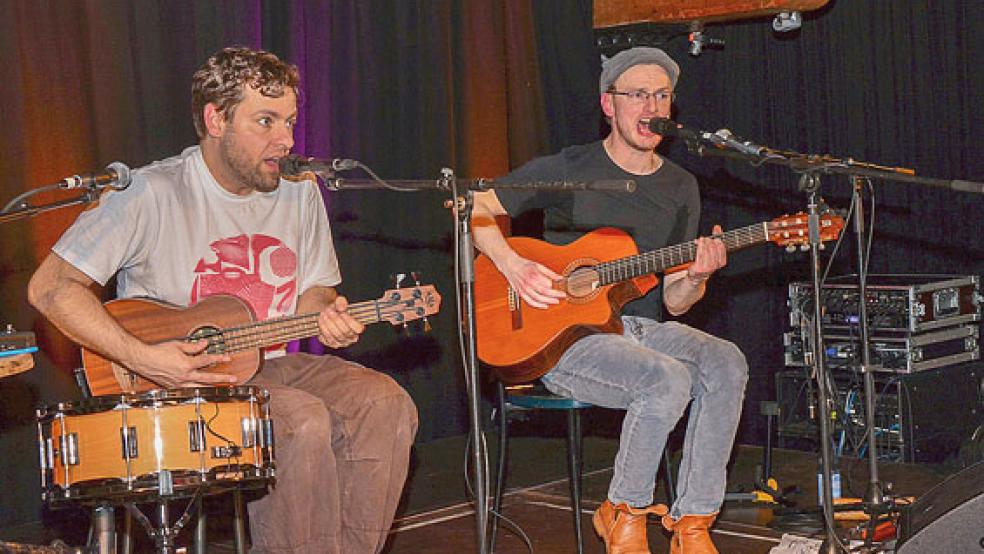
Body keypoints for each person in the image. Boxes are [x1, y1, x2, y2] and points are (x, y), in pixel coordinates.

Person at [28, 46, 417, 554]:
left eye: (290, 122)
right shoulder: (150, 192)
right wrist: (145, 358)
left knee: (385, 403)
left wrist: (326, 317)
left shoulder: (299, 190)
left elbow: (315, 292)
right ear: (216, 120)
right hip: (172, 387)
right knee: (300, 422)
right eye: (265, 121)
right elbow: (50, 288)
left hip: (267, 365)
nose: (286, 140)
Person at [472, 47, 748, 554]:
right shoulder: (572, 167)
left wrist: (698, 276)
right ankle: (624, 511)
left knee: (726, 360)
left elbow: (676, 301)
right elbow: (477, 207)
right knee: (666, 377)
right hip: (564, 339)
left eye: (661, 95)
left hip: (641, 330)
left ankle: (692, 523)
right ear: (608, 104)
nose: (652, 106)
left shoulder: (680, 186)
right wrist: (513, 265)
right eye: (638, 94)